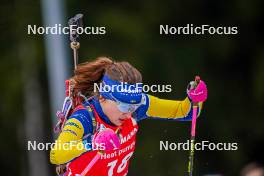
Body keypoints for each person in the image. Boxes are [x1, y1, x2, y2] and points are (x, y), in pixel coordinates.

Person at [50, 57, 207, 176]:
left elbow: (185, 112)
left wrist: (195, 99)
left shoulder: (137, 106)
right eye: (124, 106)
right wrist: (92, 143)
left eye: (133, 106)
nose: (128, 113)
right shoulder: (84, 118)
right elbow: (56, 154)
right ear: (103, 97)